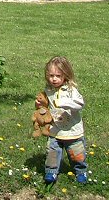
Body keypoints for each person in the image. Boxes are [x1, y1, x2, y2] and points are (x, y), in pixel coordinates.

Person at [39, 56, 88, 185]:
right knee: (52, 152)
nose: (54, 79)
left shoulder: (71, 90)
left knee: (77, 153)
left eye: (58, 76)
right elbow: (44, 104)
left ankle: (81, 171)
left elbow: (80, 104)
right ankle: (51, 171)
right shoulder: (48, 90)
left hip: (73, 130)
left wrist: (67, 103)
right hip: (55, 129)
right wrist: (39, 106)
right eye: (51, 75)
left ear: (65, 75)